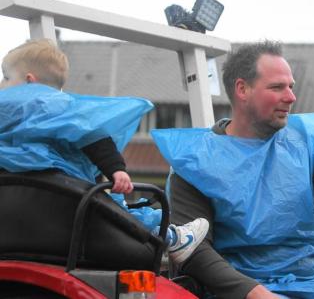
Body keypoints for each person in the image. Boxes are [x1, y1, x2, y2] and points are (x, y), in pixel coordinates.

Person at [152, 41, 314, 298]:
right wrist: (258, 294)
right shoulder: (194, 161)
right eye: (277, 87)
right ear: (242, 89)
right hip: (237, 291)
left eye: (290, 86)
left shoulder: (308, 142)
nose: (291, 97)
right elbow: (193, 250)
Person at [0, 38, 208, 264]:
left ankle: (169, 234)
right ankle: (171, 237)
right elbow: (93, 135)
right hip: (65, 203)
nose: (3, 83)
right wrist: (116, 171)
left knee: (113, 204)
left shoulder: (12, 113)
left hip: (19, 212)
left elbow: (91, 136)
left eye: (7, 77)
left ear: (30, 82)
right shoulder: (63, 108)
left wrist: (114, 171)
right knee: (118, 209)